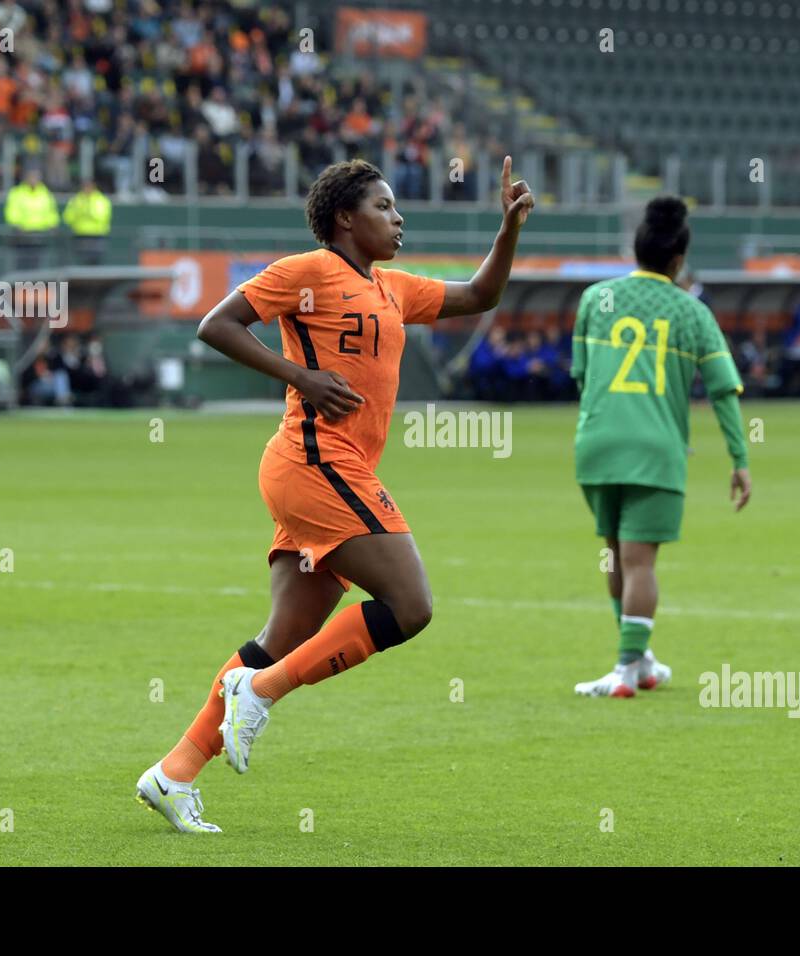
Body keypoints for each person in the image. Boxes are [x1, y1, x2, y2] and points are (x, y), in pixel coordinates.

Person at [134, 156, 534, 832]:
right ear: (344, 218)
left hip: (328, 467)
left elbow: (479, 296)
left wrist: (508, 231)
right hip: (316, 460)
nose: (398, 217)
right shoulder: (308, 271)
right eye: (383, 206)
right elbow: (217, 324)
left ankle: (173, 773)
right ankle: (257, 692)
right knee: (410, 605)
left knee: (286, 634)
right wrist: (300, 376)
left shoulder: (392, 287)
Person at [571, 197, 752, 698]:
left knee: (614, 554)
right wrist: (739, 460)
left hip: (597, 444)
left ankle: (640, 661)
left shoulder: (595, 299)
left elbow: (582, 378)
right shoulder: (692, 312)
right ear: (678, 261)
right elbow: (723, 391)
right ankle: (628, 667)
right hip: (656, 449)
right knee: (639, 562)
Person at [4, 167, 59, 271]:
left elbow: (51, 212)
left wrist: (52, 225)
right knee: (21, 264)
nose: (33, 179)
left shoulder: (46, 193)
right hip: (22, 235)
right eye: (31, 176)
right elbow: (12, 211)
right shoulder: (17, 192)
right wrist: (17, 225)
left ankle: (36, 286)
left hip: (40, 234)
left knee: (38, 264)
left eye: (36, 176)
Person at [62, 177, 112, 265]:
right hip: (80, 235)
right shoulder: (76, 200)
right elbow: (67, 217)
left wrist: (87, 212)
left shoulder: (101, 200)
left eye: (89, 186)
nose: (87, 188)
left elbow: (103, 216)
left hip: (97, 235)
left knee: (95, 262)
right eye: (85, 186)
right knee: (81, 261)